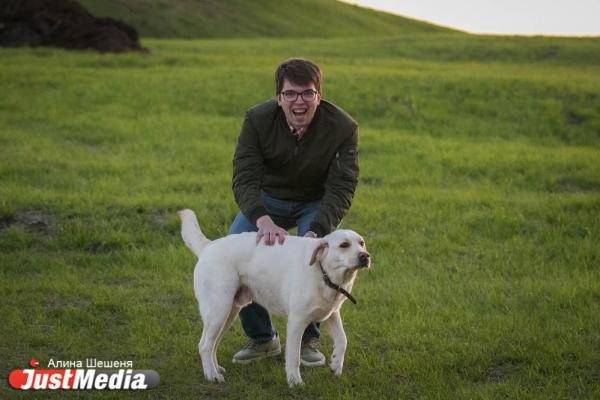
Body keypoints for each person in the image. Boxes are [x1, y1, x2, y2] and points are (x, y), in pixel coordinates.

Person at [228, 58, 360, 366]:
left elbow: (342, 186)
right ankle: (262, 339)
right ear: (279, 97)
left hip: (316, 202)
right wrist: (261, 219)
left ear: (319, 95)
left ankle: (307, 341)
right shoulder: (257, 120)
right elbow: (244, 176)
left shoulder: (343, 127)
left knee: (316, 255)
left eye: (307, 93)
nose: (298, 101)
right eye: (290, 94)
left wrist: (316, 231)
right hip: (268, 199)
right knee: (237, 244)